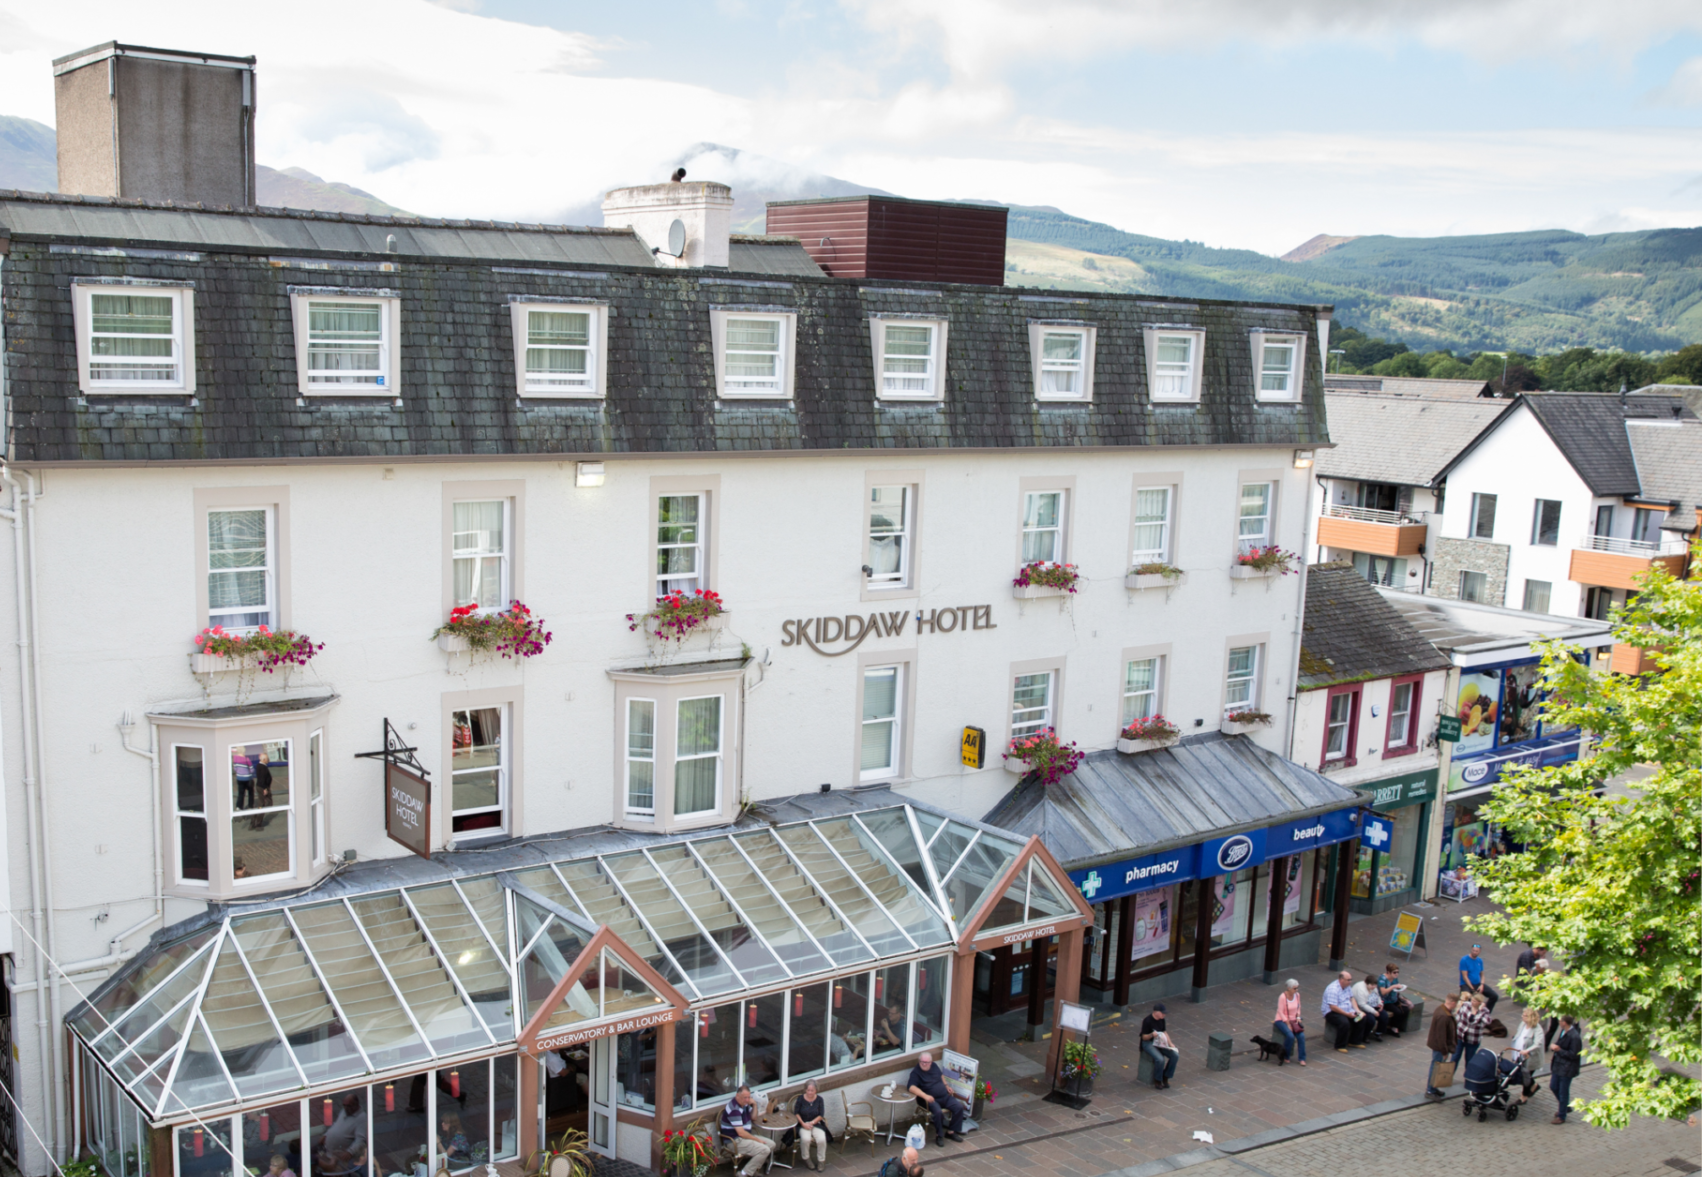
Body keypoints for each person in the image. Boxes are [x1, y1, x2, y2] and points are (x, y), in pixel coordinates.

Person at [906, 1052, 965, 1146]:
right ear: (919, 1061)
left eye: (926, 1062)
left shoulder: (934, 1066)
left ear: (931, 1062)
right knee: (938, 1112)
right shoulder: (916, 1072)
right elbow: (911, 1087)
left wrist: (946, 1086)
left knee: (959, 1107)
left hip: (944, 1096)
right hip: (928, 1100)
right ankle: (939, 1135)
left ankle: (951, 1132)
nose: (924, 1064)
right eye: (922, 1062)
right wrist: (926, 1096)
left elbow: (940, 1075)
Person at [719, 1086, 773, 1177]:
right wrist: (757, 1140)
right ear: (737, 1096)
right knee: (764, 1150)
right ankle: (743, 1174)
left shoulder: (744, 1104)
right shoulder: (734, 1109)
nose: (747, 1100)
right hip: (734, 1140)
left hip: (744, 1137)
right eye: (745, 1097)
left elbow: (754, 1117)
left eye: (749, 1097)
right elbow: (741, 1133)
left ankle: (752, 1170)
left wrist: (755, 1104)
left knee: (771, 1144)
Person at [318, 1094, 366, 1175]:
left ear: (356, 1104)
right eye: (344, 1105)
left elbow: (360, 1140)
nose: (346, 1108)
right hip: (329, 1153)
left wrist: (350, 1152)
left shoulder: (361, 1118)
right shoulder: (344, 1111)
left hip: (341, 1158)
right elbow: (336, 1125)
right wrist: (326, 1135)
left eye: (349, 1106)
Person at [1322, 970, 1367, 1052]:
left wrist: (1357, 1011)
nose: (1350, 982)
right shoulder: (1333, 989)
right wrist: (1347, 1014)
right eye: (1348, 980)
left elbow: (1352, 998)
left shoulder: (1347, 987)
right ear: (1341, 980)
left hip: (1347, 1010)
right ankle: (1340, 1045)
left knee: (1361, 1018)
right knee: (1344, 1022)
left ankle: (1354, 1041)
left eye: (1351, 980)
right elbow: (1333, 1007)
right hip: (1332, 1012)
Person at [1549, 1015, 1583, 1124]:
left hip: (1567, 1068)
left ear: (1564, 1023)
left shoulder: (1574, 1037)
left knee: (1563, 1091)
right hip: (1559, 1065)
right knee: (1553, 1086)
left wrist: (1559, 1050)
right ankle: (1565, 1107)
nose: (1559, 1022)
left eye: (1560, 1021)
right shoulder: (1564, 1032)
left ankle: (1562, 1115)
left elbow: (1574, 1055)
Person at [1425, 992, 1460, 1097]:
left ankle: (1433, 1088)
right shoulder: (1444, 1016)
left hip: (1438, 1045)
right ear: (1453, 1003)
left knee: (1436, 1067)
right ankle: (1430, 1090)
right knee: (1436, 1067)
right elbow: (1441, 1036)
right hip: (1439, 1047)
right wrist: (1445, 1051)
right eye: (1456, 1004)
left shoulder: (1441, 1009)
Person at [793, 1079, 831, 1172]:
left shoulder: (819, 1099)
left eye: (812, 1090)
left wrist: (812, 1123)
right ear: (805, 1090)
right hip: (803, 1123)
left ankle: (821, 1160)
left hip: (816, 1124)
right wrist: (803, 1124)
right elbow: (796, 1113)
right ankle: (806, 1158)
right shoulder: (801, 1098)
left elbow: (821, 1115)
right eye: (808, 1090)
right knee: (806, 1139)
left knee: (822, 1139)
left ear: (816, 1090)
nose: (810, 1092)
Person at [1139, 1002, 1180, 1089]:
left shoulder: (1162, 1020)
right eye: (1162, 1013)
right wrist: (1151, 1035)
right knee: (1160, 1059)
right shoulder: (1147, 1021)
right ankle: (1158, 1079)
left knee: (1175, 1055)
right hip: (1149, 1043)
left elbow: (1164, 1031)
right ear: (1156, 1012)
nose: (1164, 1015)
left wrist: (1170, 1044)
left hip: (1160, 1042)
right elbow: (1144, 1037)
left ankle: (1166, 1076)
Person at [1508, 1007, 1544, 1102]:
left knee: (1526, 1075)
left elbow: (1538, 1043)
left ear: (1531, 1017)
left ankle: (1524, 1096)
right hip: (1519, 1055)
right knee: (1522, 1073)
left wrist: (1527, 1050)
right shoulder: (1522, 1024)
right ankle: (1534, 1086)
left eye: (1525, 1015)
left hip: (1530, 1058)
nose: (1522, 1017)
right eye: (1523, 1015)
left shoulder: (1537, 1029)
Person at [1273, 978, 1307, 1066]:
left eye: (1297, 988)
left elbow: (1298, 1007)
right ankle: (1286, 1056)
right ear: (1289, 988)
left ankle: (1302, 1058)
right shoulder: (1282, 997)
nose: (1296, 990)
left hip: (1293, 1019)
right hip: (1281, 1019)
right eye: (1294, 988)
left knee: (1301, 1036)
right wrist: (1287, 1023)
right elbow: (1280, 1011)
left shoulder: (1297, 995)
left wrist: (1298, 1017)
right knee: (1290, 1036)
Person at [1458, 943, 1500, 1012]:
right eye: (1473, 950)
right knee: (1467, 999)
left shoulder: (1479, 961)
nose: (1474, 952)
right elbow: (1465, 976)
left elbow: (1482, 975)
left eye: (1476, 951)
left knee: (1494, 996)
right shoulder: (1464, 960)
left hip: (1477, 983)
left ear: (1479, 952)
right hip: (1466, 984)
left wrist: (1482, 985)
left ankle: (1486, 1012)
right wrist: (1472, 988)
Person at [1376, 964, 1412, 1035]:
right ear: (1388, 972)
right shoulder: (1382, 979)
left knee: (1406, 1009)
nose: (1396, 974)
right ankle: (1391, 1027)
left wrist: (1400, 988)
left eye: (1397, 972)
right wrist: (1393, 986)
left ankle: (1394, 1026)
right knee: (1397, 1012)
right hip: (1385, 1001)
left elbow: (1397, 987)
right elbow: (1383, 992)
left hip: (1394, 998)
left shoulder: (1395, 978)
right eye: (1394, 972)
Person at [1351, 973, 1388, 1042]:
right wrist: (1374, 1012)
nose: (1373, 987)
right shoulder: (1361, 990)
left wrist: (1380, 1004)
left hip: (1372, 1005)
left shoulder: (1373, 987)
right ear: (1366, 983)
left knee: (1384, 1015)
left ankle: (1378, 1033)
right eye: (1372, 985)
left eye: (1375, 985)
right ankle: (1365, 1036)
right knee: (1371, 1020)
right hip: (1361, 1008)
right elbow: (1362, 1005)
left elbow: (1378, 996)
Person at [1456, 990, 1490, 1064]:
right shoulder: (1466, 1005)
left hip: (1472, 1040)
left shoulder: (1484, 1011)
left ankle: (1468, 1075)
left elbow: (1487, 1022)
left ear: (1480, 1002)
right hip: (1460, 1036)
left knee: (1469, 1060)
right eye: (1472, 1000)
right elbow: (1458, 1015)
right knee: (1455, 1057)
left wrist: (1480, 1011)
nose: (1472, 1002)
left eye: (1474, 1001)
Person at [251, 751, 274, 829]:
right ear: (264, 760)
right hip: (263, 787)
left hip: (261, 787)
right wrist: (265, 789)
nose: (268, 760)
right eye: (267, 759)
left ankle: (255, 820)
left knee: (264, 803)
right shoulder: (263, 768)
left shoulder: (259, 766)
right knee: (262, 805)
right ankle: (257, 822)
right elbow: (262, 779)